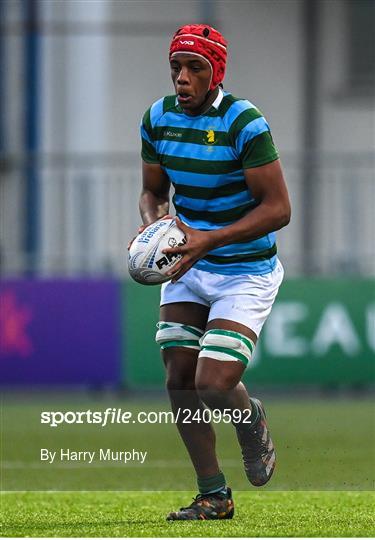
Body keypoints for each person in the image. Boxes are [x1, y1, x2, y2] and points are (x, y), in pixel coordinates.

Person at [138, 24, 291, 520]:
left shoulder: (244, 123)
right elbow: (153, 192)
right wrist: (157, 227)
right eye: (175, 68)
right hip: (188, 262)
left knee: (214, 383)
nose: (181, 77)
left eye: (194, 68)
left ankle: (249, 421)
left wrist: (209, 239)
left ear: (216, 72)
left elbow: (278, 209)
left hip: (244, 269)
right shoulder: (157, 118)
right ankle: (213, 494)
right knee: (179, 377)